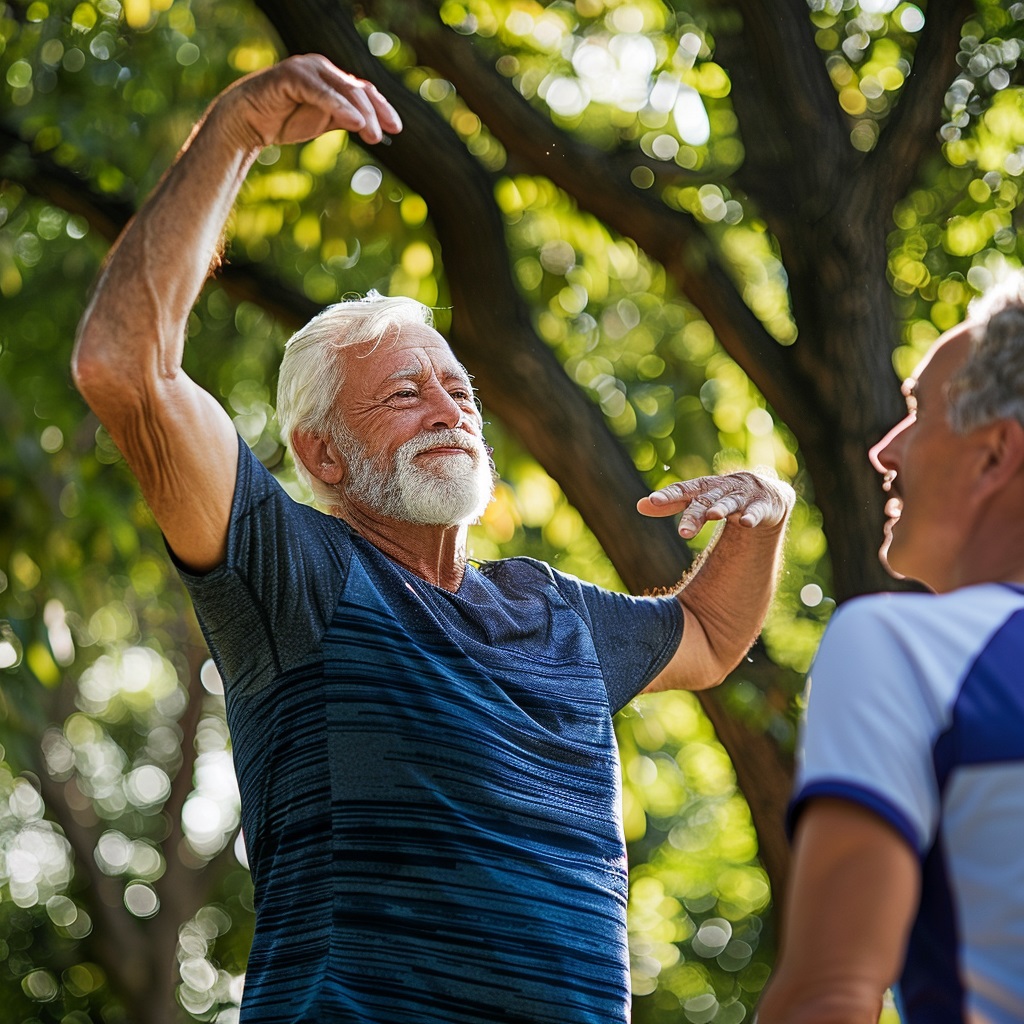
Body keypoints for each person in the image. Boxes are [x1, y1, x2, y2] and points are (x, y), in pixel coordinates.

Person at [72, 55, 794, 1024]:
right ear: (321, 455)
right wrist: (236, 130)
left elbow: (707, 638)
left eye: (457, 388)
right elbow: (127, 367)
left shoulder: (549, 606)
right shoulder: (296, 572)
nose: (447, 409)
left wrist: (764, 515)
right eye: (405, 393)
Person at [756, 278, 1024, 1024]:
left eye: (918, 411)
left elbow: (829, 993)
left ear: (994, 455)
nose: (883, 450)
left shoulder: (902, 646)